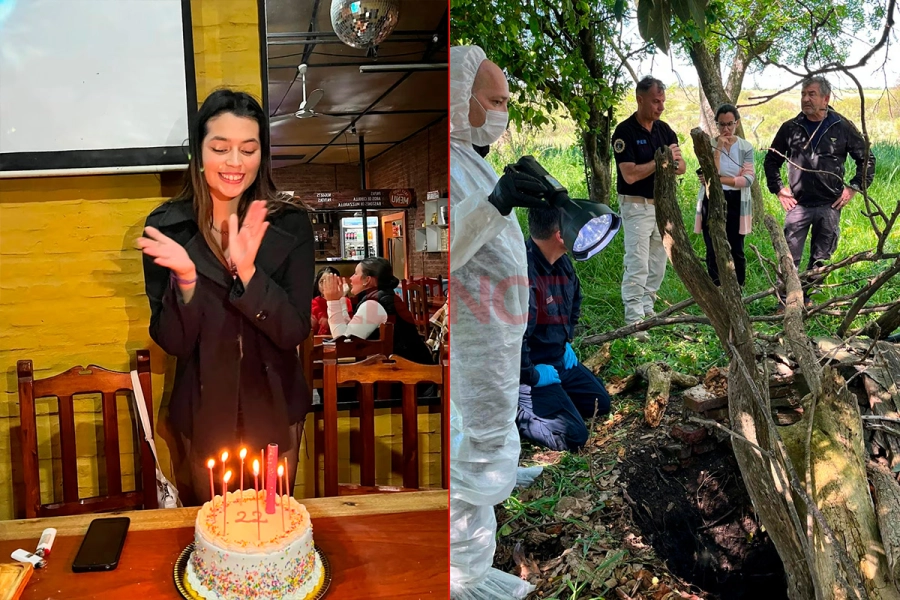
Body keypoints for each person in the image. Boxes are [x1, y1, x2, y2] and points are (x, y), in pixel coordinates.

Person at [138, 89, 314, 504]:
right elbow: (176, 343)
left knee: (271, 526)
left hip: (274, 408)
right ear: (199, 153)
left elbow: (293, 331)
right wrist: (186, 279)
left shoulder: (290, 223)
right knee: (211, 526)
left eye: (248, 149)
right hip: (203, 412)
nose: (235, 163)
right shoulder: (169, 227)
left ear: (261, 155)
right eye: (220, 148)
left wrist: (249, 273)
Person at [449, 45, 548, 600]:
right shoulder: (451, 162)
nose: (502, 110)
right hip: (473, 334)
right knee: (467, 449)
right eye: (495, 101)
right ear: (461, 101)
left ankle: (483, 531)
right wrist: (497, 199)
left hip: (494, 331)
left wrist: (510, 191)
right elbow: (449, 244)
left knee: (489, 424)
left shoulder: (471, 154)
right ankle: (462, 575)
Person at [763, 76, 875, 304]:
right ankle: (786, 302)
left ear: (826, 98)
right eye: (803, 94)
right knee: (788, 258)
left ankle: (812, 302)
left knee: (821, 259)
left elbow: (867, 159)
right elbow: (771, 160)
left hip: (829, 205)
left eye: (811, 94)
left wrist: (854, 187)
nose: (805, 99)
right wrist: (779, 189)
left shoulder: (841, 126)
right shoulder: (791, 128)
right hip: (799, 205)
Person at [517, 206, 611, 451]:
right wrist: (533, 375)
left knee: (600, 403)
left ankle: (558, 396)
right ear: (560, 235)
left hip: (557, 356)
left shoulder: (561, 262)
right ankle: (518, 411)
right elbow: (513, 340)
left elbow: (574, 301)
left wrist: (566, 339)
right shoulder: (524, 274)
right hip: (530, 369)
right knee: (573, 436)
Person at [612, 76, 686, 341]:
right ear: (640, 99)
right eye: (656, 101)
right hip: (636, 206)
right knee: (638, 261)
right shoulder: (624, 132)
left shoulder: (665, 131)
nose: (660, 107)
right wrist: (661, 160)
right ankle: (633, 319)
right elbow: (630, 175)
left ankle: (647, 309)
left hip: (662, 207)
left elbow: (681, 167)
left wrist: (671, 162)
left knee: (658, 263)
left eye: (663, 101)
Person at [319, 257, 433, 365]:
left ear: (367, 280)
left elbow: (343, 344)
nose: (351, 278)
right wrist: (340, 299)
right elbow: (348, 331)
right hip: (407, 369)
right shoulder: (381, 296)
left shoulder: (374, 304)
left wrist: (332, 301)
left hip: (410, 377)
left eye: (355, 273)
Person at [693, 104, 755, 287]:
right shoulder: (709, 145)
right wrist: (718, 149)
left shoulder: (746, 147)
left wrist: (721, 179)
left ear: (737, 123)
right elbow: (710, 175)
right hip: (712, 199)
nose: (726, 129)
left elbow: (748, 179)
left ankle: (739, 288)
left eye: (730, 124)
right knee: (712, 247)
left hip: (737, 200)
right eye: (721, 125)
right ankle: (716, 288)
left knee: (736, 248)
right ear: (716, 124)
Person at [311, 266, 351, 335]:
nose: (325, 285)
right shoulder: (313, 302)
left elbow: (348, 327)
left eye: (330, 281)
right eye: (321, 282)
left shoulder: (345, 300)